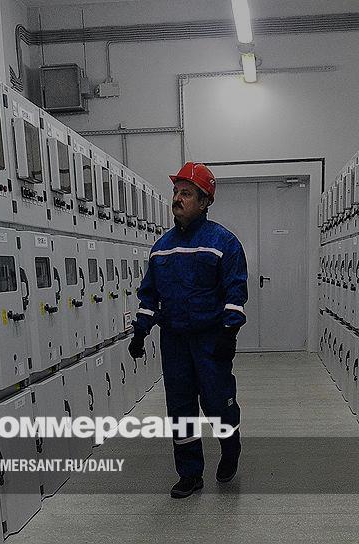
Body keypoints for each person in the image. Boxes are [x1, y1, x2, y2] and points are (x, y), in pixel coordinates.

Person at [128, 161, 248, 498]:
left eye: (186, 193)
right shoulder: (161, 248)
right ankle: (190, 473)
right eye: (176, 192)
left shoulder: (223, 242)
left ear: (205, 201)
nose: (177, 199)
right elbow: (149, 295)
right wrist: (140, 331)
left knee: (217, 402)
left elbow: (235, 292)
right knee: (180, 408)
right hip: (175, 340)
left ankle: (230, 446)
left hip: (211, 339)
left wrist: (229, 334)